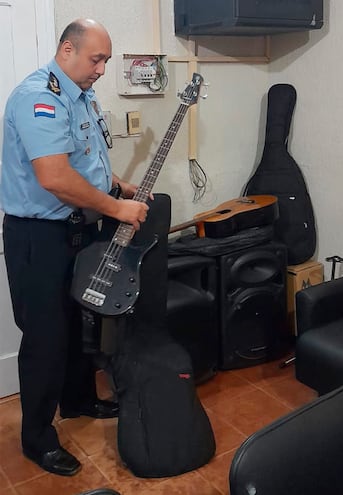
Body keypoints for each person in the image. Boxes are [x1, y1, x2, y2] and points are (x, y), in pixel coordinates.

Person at [0, 18, 149, 477]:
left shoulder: (80, 95)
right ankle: (38, 439)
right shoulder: (38, 97)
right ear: (67, 50)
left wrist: (118, 186)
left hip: (79, 230)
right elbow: (55, 177)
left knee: (82, 321)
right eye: (96, 59)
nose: (103, 68)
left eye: (105, 59)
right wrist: (119, 210)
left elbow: (85, 160)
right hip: (39, 237)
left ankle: (80, 400)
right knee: (46, 338)